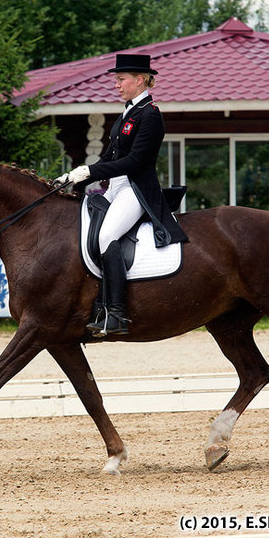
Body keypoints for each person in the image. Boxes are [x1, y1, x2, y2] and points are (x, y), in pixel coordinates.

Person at [55, 53, 188, 336]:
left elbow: (136, 162)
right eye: (116, 80)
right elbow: (109, 157)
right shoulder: (127, 113)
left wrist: (90, 172)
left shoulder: (150, 115)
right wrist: (75, 176)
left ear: (139, 80)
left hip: (135, 189)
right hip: (115, 187)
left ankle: (116, 312)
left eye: (121, 79)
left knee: (106, 237)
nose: (117, 85)